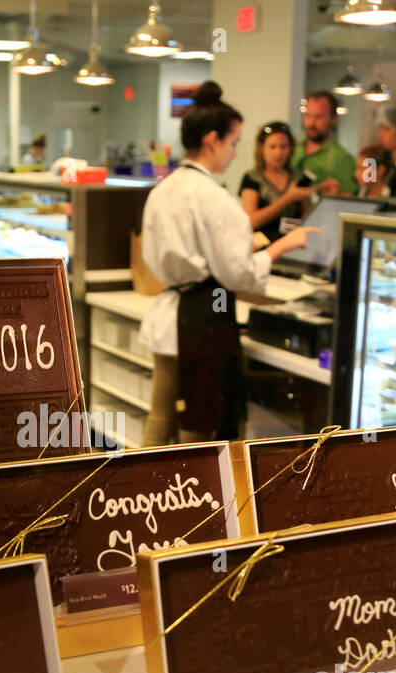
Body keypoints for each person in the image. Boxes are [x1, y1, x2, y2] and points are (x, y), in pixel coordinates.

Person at [139, 82, 318, 446]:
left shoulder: (162, 191)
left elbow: (153, 255)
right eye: (234, 143)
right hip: (202, 322)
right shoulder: (215, 199)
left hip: (169, 315)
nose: (236, 154)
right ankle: (198, 500)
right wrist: (281, 246)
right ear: (212, 140)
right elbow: (237, 273)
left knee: (159, 422)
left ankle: (139, 498)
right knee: (199, 430)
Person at [239, 121, 315, 245]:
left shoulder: (297, 177)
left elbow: (306, 219)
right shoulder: (252, 178)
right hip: (262, 247)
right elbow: (251, 221)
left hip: (293, 245)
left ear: (291, 148)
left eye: (283, 147)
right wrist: (287, 199)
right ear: (262, 148)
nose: (278, 153)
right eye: (272, 147)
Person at [292, 91, 358, 195]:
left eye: (319, 117)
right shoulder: (292, 149)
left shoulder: (343, 158)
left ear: (333, 119)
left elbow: (348, 198)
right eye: (308, 115)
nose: (311, 123)